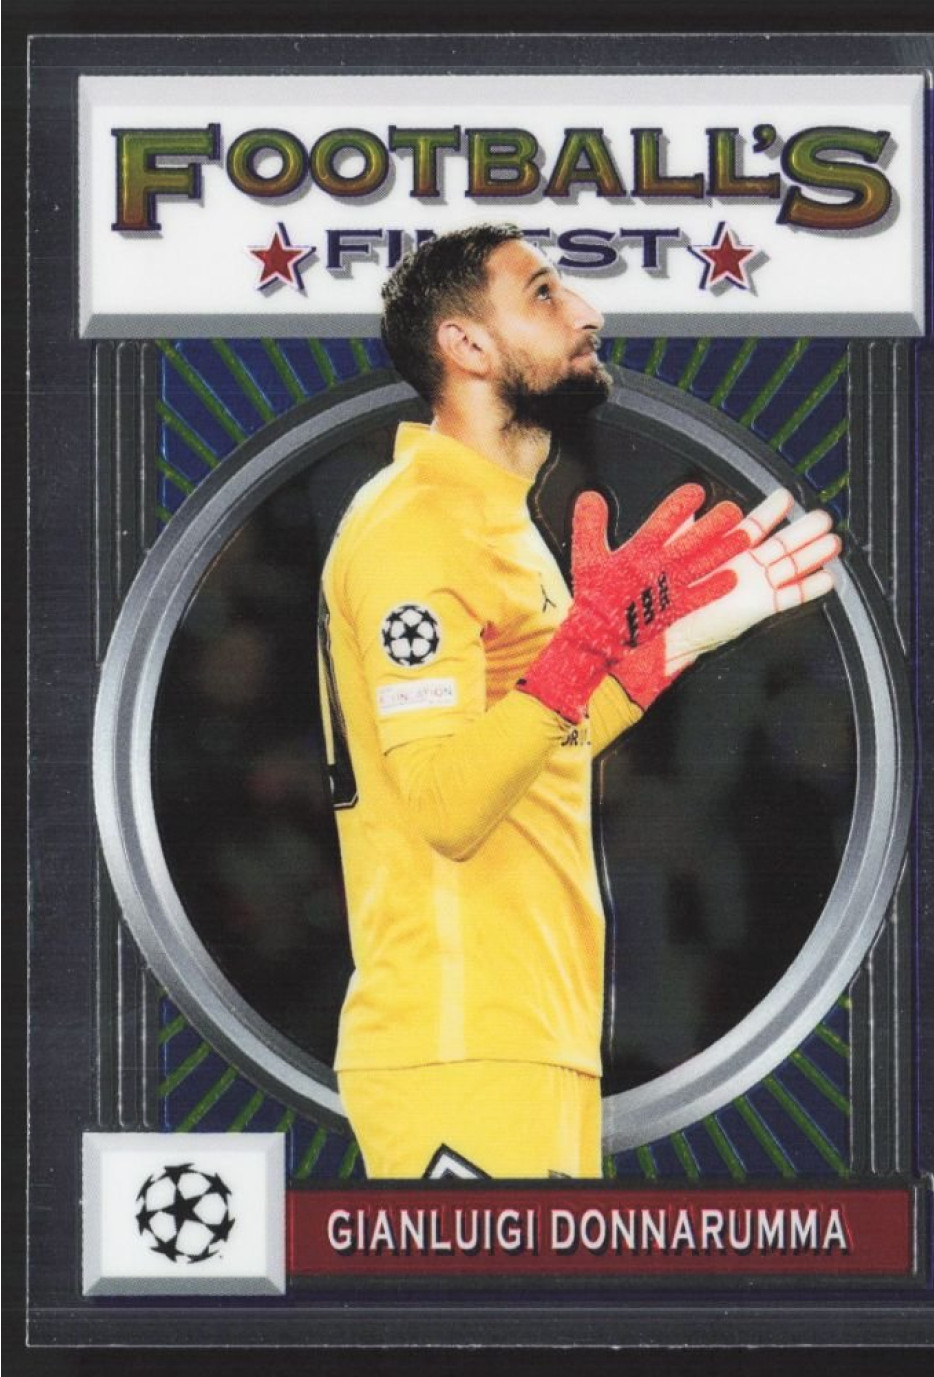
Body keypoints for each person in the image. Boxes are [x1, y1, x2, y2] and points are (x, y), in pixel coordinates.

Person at [317, 223, 840, 1179]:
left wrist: (657, 652)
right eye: (546, 294)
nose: (589, 312)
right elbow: (444, 805)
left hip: (528, 1036)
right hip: (456, 1043)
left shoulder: (496, 520)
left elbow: (537, 747)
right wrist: (582, 652)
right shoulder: (416, 526)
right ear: (466, 345)